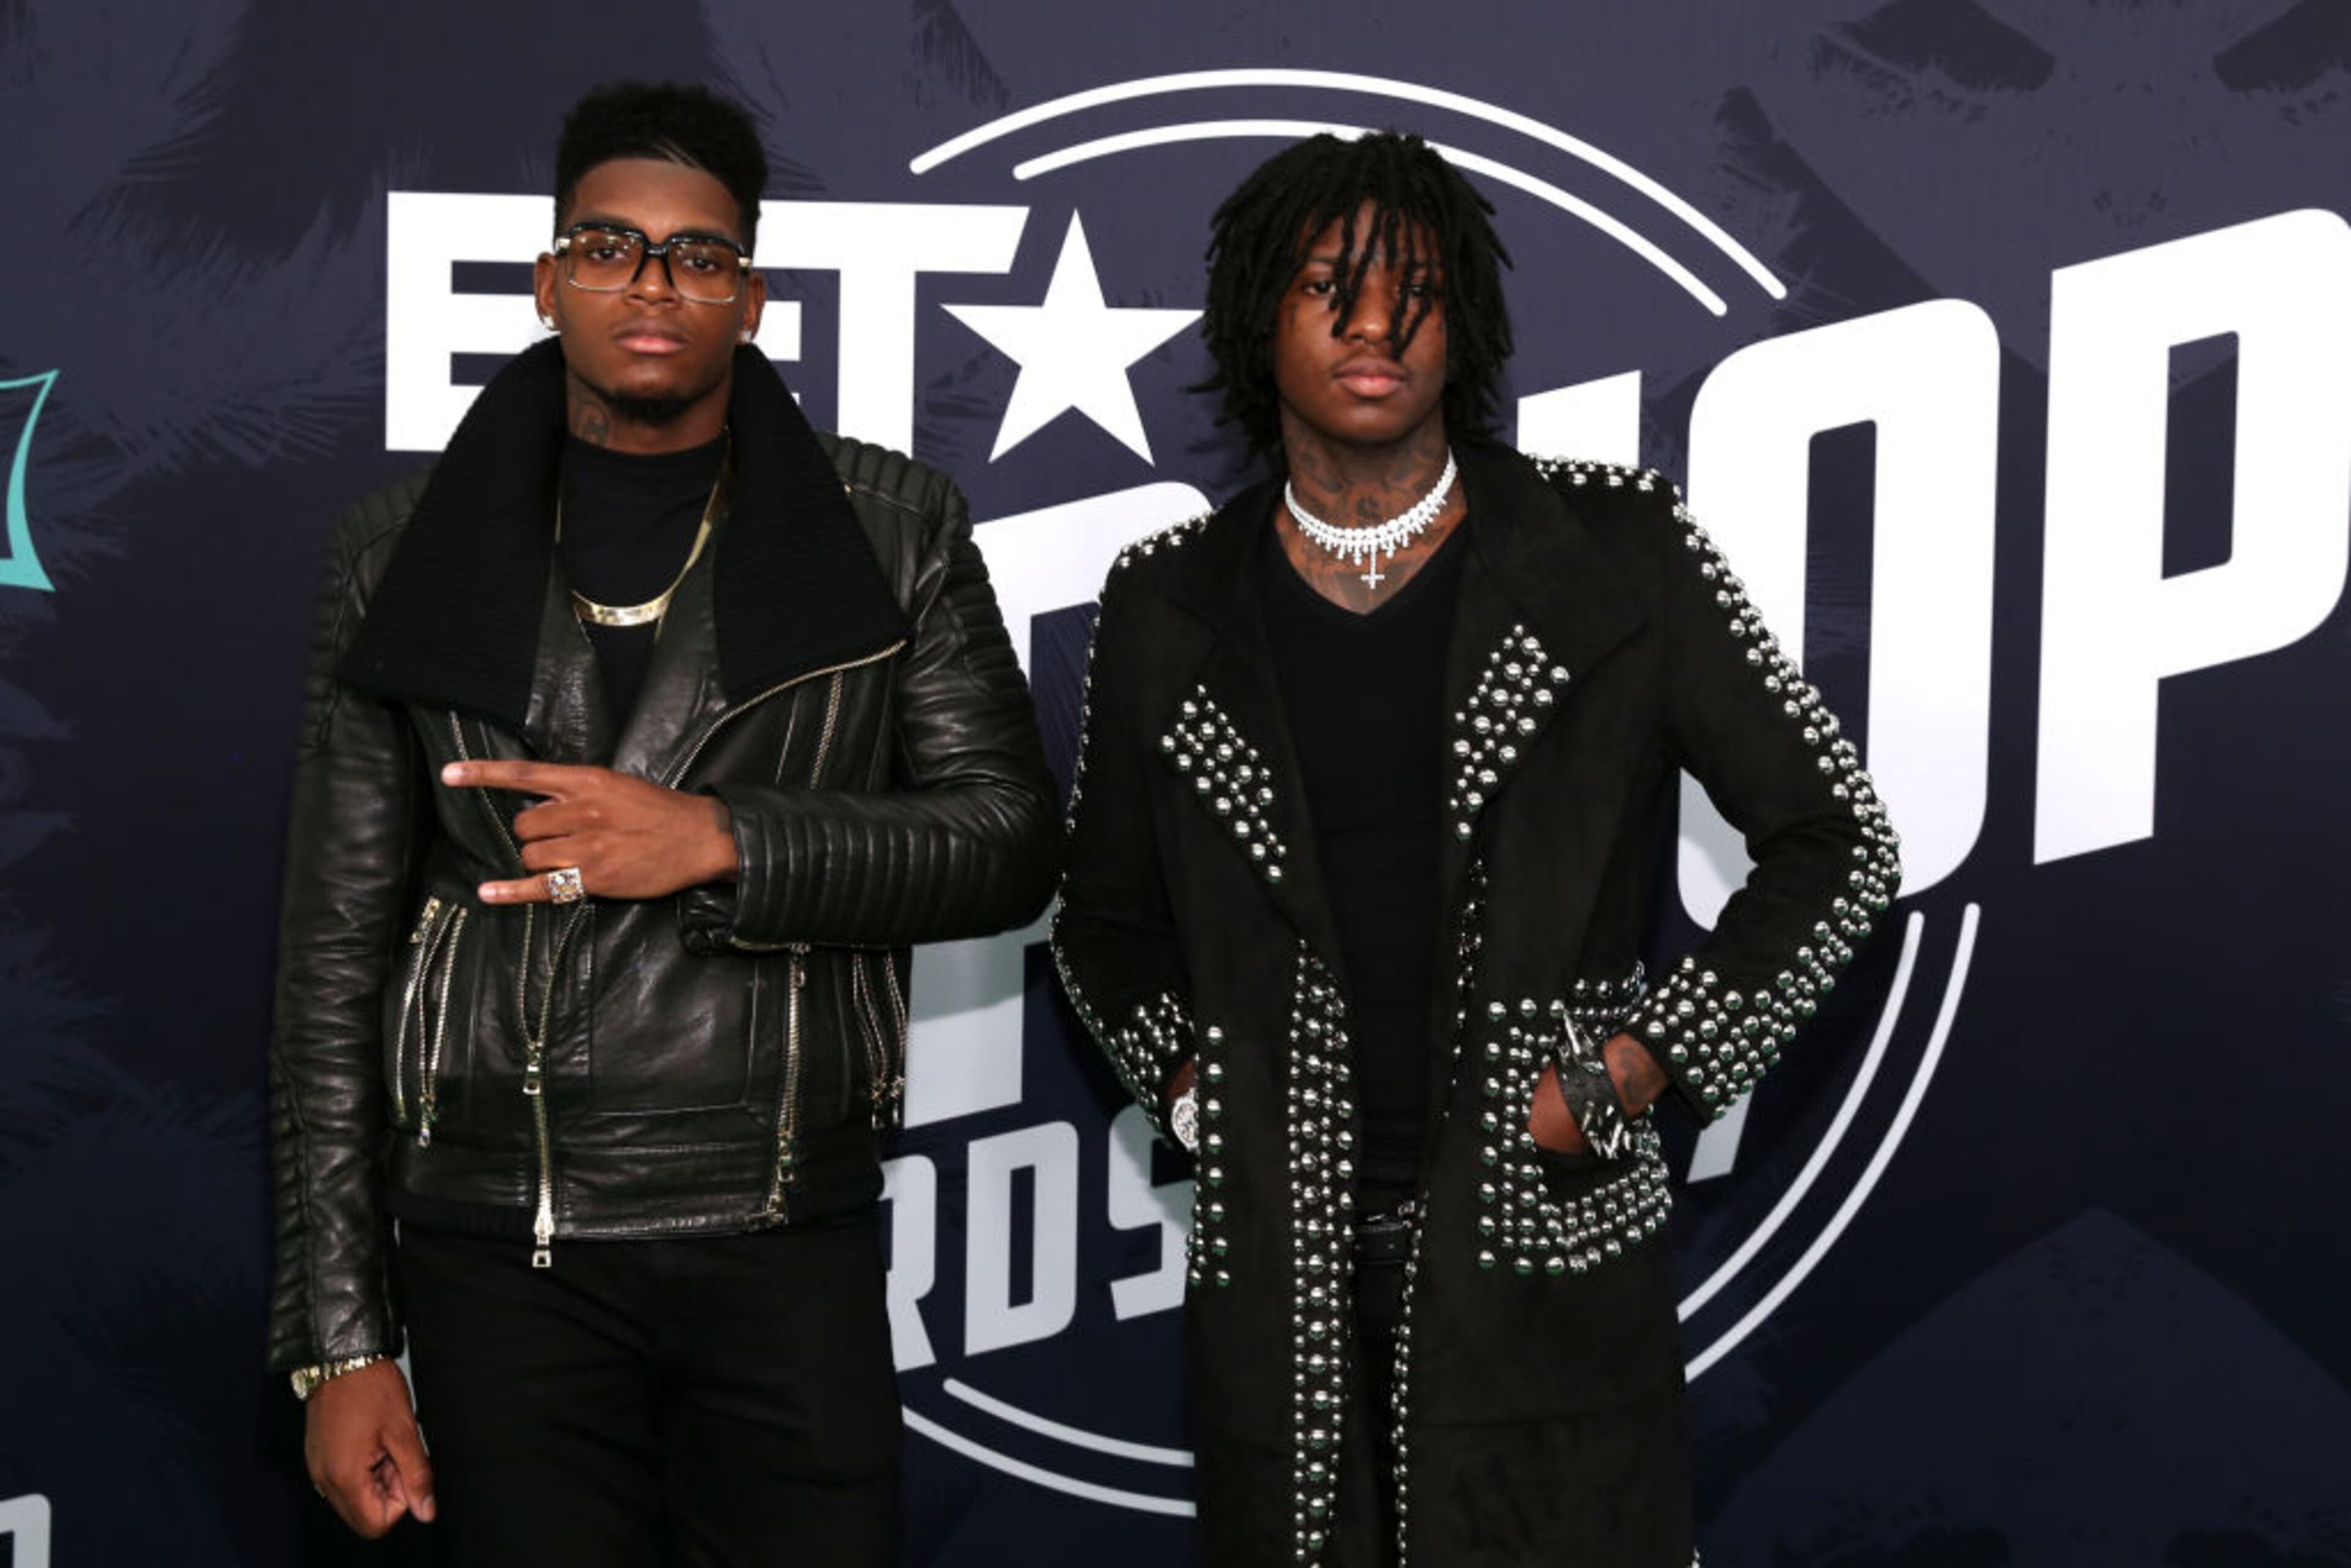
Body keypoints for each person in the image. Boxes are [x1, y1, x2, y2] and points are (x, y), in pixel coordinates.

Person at [1051, 130, 1900, 1567]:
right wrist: (1197, 1091)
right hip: (1281, 1292)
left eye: (1418, 290)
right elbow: (1102, 923)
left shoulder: (1613, 550)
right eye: (1328, 285)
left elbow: (1838, 845)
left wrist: (1631, 1073)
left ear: (1469, 325)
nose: (1376, 323)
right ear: (1259, 317)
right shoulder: (1167, 601)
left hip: (1544, 1261)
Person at [266, 80, 1057, 1566]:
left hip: (779, 1226)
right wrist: (339, 1340)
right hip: (499, 1238)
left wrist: (724, 838)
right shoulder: (397, 551)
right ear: (548, 279)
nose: (651, 284)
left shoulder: (893, 530)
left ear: (749, 299)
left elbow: (1010, 840)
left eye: (697, 256)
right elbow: (330, 961)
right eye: (610, 247)